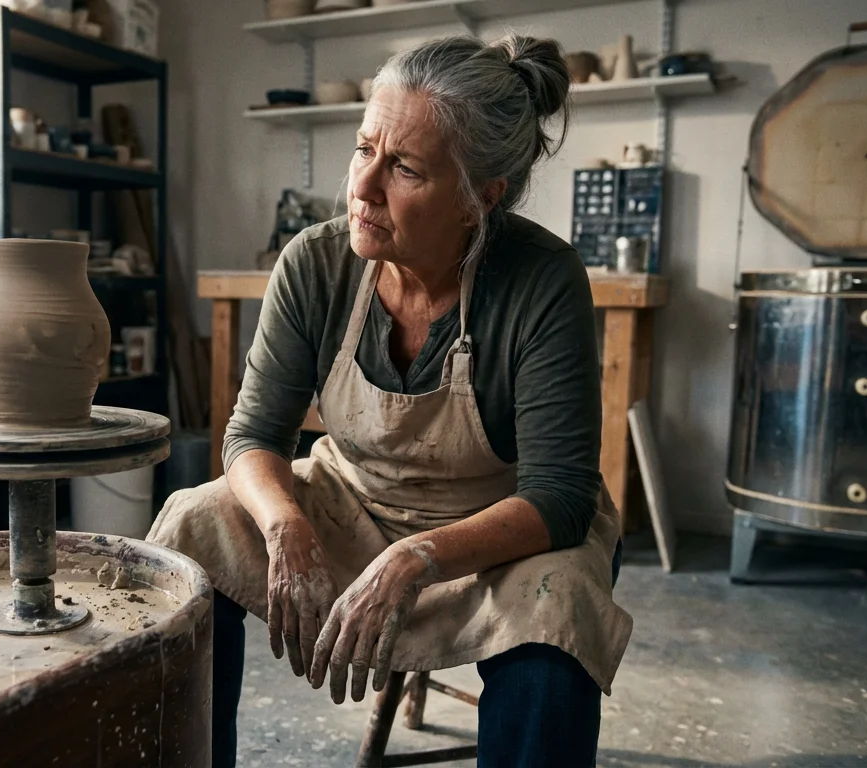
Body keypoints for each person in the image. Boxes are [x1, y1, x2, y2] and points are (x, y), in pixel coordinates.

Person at [149, 33, 632, 768]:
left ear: (480, 198)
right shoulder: (315, 261)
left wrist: (417, 558)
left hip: (497, 538)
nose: (364, 188)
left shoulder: (541, 279)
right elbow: (251, 436)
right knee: (192, 523)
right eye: (362, 149)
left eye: (403, 167)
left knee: (559, 611)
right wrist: (284, 527)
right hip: (353, 501)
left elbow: (562, 496)